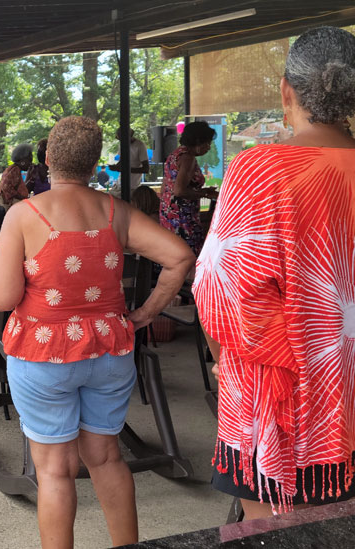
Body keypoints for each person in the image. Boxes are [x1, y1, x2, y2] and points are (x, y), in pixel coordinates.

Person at [0, 116, 194, 547]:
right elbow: (179, 257)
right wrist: (145, 314)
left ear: (48, 159)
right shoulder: (116, 211)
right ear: (95, 162)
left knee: (55, 471)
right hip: (109, 350)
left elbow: (3, 298)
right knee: (105, 458)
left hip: (44, 354)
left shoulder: (24, 215)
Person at [194, 26, 355, 519]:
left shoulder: (260, 169)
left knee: (276, 532)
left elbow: (220, 287)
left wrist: (226, 358)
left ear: (287, 90)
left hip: (285, 399)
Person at [158, 121, 219, 257]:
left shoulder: (175, 154)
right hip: (182, 216)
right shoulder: (187, 158)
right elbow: (179, 191)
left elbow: (165, 187)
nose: (208, 148)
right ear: (197, 142)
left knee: (173, 255)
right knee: (188, 257)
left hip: (169, 211)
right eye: (207, 143)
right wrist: (205, 193)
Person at [108, 129, 149, 197]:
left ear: (129, 136)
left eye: (122, 139)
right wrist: (115, 167)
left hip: (132, 188)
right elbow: (121, 162)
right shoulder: (122, 145)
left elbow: (146, 169)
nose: (121, 141)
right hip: (119, 185)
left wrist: (125, 170)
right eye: (120, 139)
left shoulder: (140, 145)